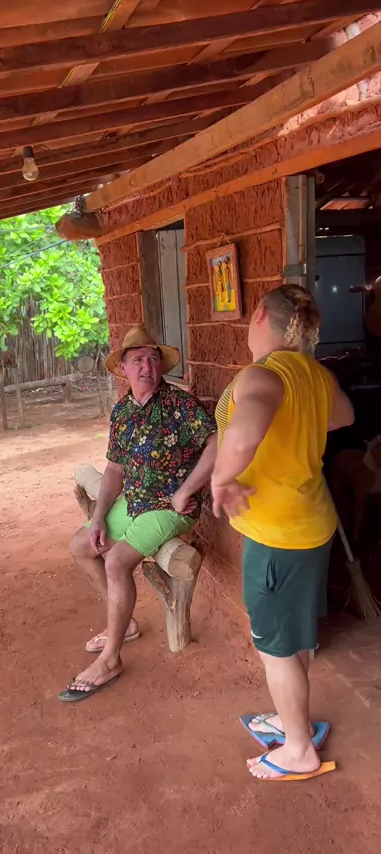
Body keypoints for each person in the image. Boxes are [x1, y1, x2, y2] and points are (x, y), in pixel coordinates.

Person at [211, 284, 354, 781]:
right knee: (296, 634)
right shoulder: (315, 374)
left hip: (277, 535)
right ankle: (292, 721)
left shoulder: (264, 374)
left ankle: (298, 749)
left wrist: (221, 480)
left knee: (274, 645)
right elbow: (344, 416)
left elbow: (242, 436)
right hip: (312, 524)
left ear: (259, 317)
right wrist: (298, 425)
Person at [59, 325, 217, 702]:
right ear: (123, 369)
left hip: (170, 506)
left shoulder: (180, 405)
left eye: (152, 359)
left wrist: (186, 491)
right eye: (138, 360)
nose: (147, 366)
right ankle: (125, 624)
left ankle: (110, 660)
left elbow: (217, 443)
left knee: (116, 562)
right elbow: (114, 469)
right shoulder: (122, 412)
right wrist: (99, 516)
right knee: (81, 545)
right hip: (133, 501)